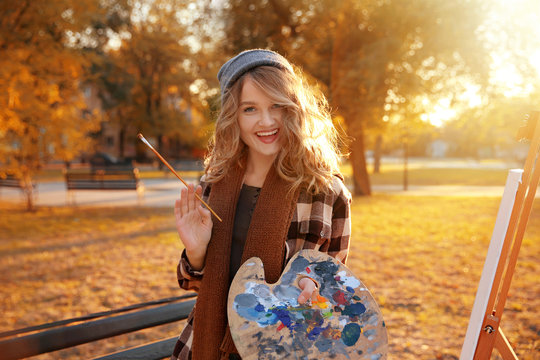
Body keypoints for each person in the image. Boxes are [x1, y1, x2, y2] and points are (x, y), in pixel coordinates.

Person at [170, 49, 351, 360]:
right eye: (250, 109)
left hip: (284, 349)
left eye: (277, 106)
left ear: (294, 109)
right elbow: (192, 282)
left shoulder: (326, 191)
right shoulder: (215, 182)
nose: (266, 121)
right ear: (233, 116)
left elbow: (334, 284)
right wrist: (196, 251)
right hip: (204, 347)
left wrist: (313, 287)